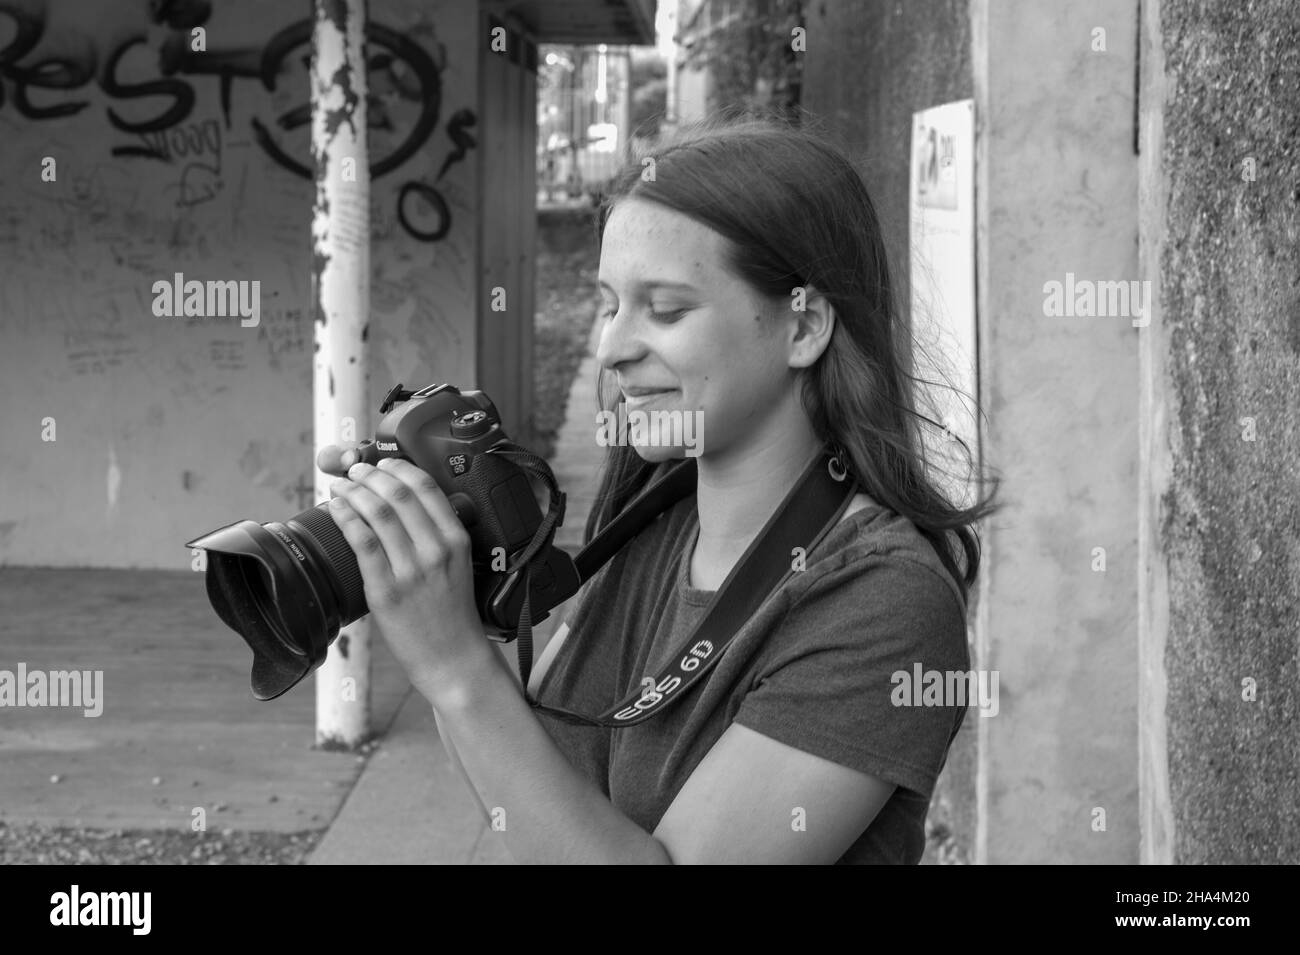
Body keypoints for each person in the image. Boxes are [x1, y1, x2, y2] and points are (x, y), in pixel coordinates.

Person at [317, 115, 999, 864]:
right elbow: (531, 805)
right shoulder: (653, 522)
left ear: (803, 328)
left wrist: (452, 668)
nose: (612, 347)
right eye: (610, 304)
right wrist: (458, 568)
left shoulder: (882, 602)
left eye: (665, 309)